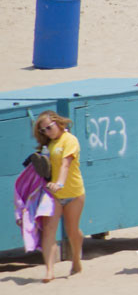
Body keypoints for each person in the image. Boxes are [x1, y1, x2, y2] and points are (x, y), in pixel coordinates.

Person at [34, 111, 85, 282]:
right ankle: (49, 271)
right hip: (52, 195)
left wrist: (60, 183)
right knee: (48, 231)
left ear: (58, 123)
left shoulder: (70, 140)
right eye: (43, 131)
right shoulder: (48, 145)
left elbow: (65, 165)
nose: (48, 132)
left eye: (49, 127)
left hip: (73, 193)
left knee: (72, 231)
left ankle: (76, 260)